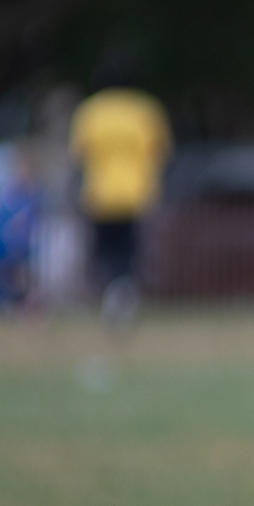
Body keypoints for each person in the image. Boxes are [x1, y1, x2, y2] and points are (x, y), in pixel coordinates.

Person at [69, 56, 171, 324]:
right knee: (130, 252)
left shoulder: (91, 112)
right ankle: (123, 297)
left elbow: (80, 156)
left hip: (100, 194)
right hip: (137, 194)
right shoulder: (146, 111)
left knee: (104, 251)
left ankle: (112, 295)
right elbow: (160, 154)